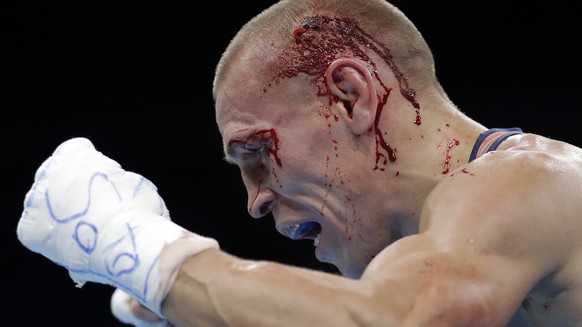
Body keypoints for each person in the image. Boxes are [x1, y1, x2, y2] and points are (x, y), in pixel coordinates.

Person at [16, 0, 582, 326]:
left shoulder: (527, 183)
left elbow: (394, 320)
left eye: (258, 152)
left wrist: (146, 254)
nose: (255, 202)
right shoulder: (475, 261)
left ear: (351, 98)